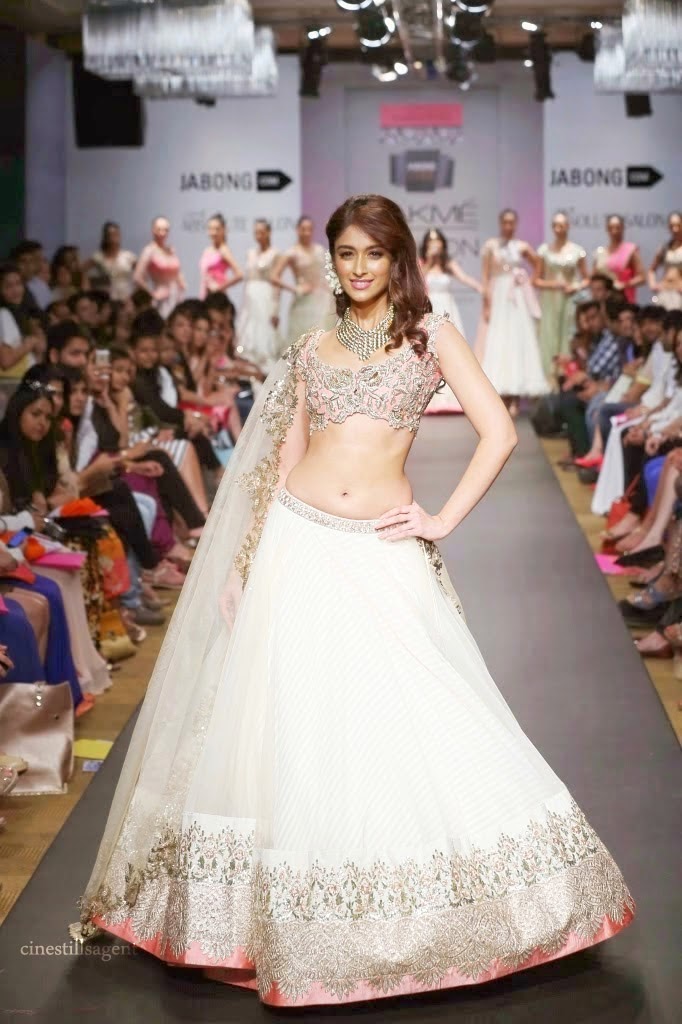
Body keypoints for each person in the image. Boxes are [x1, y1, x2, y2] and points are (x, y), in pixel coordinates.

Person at [72, 193, 634, 1007]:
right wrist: (246, 560)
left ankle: (412, 913)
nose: (360, 267)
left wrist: (441, 518)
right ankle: (275, 922)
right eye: (347, 253)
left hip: (380, 546)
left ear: (397, 258)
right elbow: (283, 459)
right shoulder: (311, 347)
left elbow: (501, 432)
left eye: (375, 252)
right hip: (296, 541)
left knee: (415, 709)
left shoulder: (431, 335)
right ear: (332, 262)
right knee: (293, 724)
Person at [478, 209, 549, 415]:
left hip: (516, 298)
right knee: (500, 340)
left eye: (511, 222)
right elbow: (485, 276)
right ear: (500, 223)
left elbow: (538, 263)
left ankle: (516, 397)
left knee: (517, 340)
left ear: (516, 224)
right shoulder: (491, 246)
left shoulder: (521, 246)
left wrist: (528, 279)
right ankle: (502, 395)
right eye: (505, 222)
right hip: (499, 296)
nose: (508, 226)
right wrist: (487, 304)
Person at [419, 228, 482, 414]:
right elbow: (418, 279)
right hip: (430, 308)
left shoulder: (448, 263)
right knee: (430, 351)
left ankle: (454, 396)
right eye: (431, 241)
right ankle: (430, 398)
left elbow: (464, 277)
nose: (434, 244)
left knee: (451, 350)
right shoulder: (423, 264)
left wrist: (480, 288)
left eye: (437, 240)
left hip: (447, 308)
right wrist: (429, 261)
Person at [534, 212, 589, 381]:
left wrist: (575, 286)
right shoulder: (544, 251)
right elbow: (535, 280)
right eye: (556, 225)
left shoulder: (578, 251)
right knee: (548, 335)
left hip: (569, 300)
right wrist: (554, 285)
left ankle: (567, 376)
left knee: (568, 334)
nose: (559, 229)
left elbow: (587, 278)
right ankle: (548, 377)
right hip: (550, 301)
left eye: (562, 225)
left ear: (568, 226)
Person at [272, 214, 337, 349]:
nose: (307, 233)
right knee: (302, 340)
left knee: (322, 336)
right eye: (303, 229)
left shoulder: (319, 249)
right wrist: (295, 289)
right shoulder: (291, 252)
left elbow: (325, 273)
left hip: (323, 299)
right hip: (303, 302)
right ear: (297, 230)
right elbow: (274, 276)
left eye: (309, 229)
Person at [235, 219, 282, 373]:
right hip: (251, 298)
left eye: (262, 232)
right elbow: (248, 279)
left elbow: (277, 283)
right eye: (256, 232)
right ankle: (248, 368)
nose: (259, 236)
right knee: (247, 331)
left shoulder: (275, 254)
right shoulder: (250, 253)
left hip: (265, 297)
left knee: (265, 332)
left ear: (269, 232)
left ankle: (265, 372)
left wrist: (275, 310)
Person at [0, 263, 46, 380]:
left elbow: (38, 354)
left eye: (18, 283)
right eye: (8, 286)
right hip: (11, 382)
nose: (15, 290)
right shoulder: (3, 314)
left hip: (26, 380)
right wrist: (30, 342)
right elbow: (6, 361)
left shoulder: (22, 315)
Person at [133, 217, 186, 318]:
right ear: (153, 230)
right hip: (161, 297)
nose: (162, 233)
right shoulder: (149, 250)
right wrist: (152, 294)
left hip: (177, 295)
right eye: (159, 229)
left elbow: (177, 271)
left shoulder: (170, 249)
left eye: (165, 230)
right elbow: (137, 277)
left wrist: (182, 284)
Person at [593, 215, 645, 302]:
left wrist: (624, 285)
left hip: (623, 299)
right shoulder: (600, 252)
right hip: (602, 300)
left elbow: (642, 277)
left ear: (623, 228)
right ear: (607, 229)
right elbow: (594, 277)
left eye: (617, 227)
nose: (614, 231)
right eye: (611, 228)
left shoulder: (630, 250)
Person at [84, 222, 137, 301]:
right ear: (106, 237)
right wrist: (88, 290)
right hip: (106, 298)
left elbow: (141, 275)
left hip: (127, 297)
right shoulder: (99, 256)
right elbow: (81, 270)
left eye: (116, 234)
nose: (113, 238)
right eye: (110, 235)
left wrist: (136, 293)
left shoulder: (128, 256)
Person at [198, 213, 243, 301]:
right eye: (210, 229)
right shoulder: (207, 250)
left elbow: (239, 275)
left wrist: (219, 288)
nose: (213, 233)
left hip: (217, 297)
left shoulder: (223, 250)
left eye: (217, 229)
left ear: (224, 230)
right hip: (204, 293)